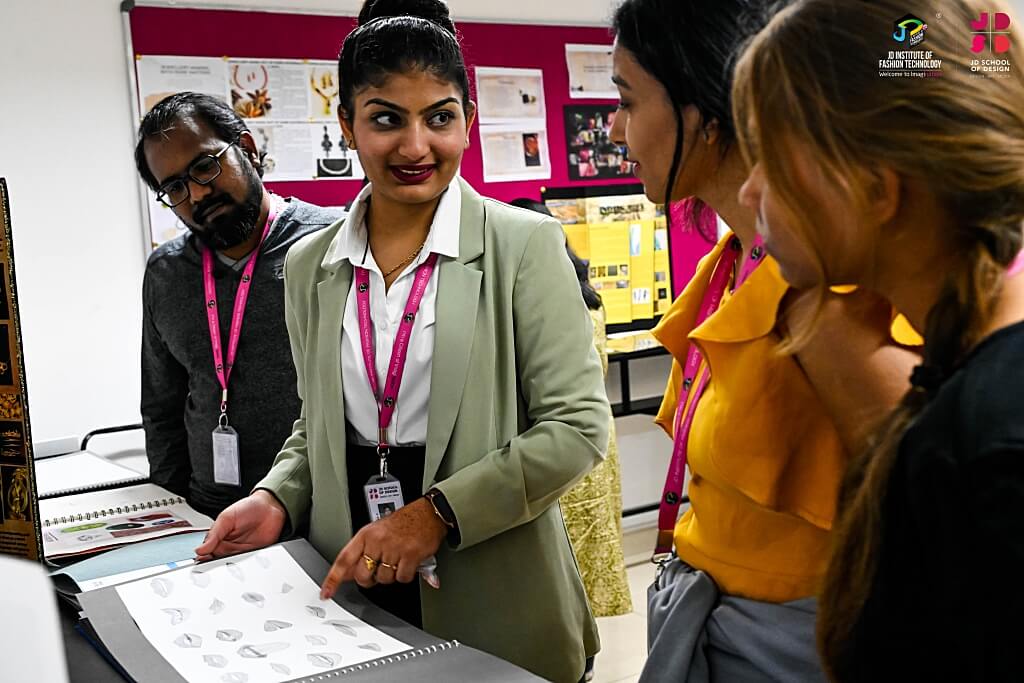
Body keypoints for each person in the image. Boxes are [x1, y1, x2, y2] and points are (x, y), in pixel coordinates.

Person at [195, 2, 609, 681]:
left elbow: (577, 427)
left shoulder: (524, 245)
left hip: (490, 577)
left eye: (439, 117)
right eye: (387, 118)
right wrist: (276, 496)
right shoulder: (307, 265)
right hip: (351, 576)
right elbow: (315, 425)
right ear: (348, 127)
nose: (415, 146)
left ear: (468, 123)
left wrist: (435, 514)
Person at [608, 0, 920, 680]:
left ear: (702, 111)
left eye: (627, 100)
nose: (615, 127)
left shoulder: (821, 292)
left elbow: (928, 523)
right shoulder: (730, 262)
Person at [732, 0, 1024, 680]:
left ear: (875, 184)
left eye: (769, 158)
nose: (750, 190)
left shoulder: (990, 434)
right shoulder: (970, 387)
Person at [136, 92, 342, 518]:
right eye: (173, 187)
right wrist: (173, 514)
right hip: (210, 512)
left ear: (247, 149)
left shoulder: (331, 244)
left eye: (205, 166)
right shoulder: (166, 273)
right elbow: (162, 407)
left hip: (322, 509)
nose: (196, 193)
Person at [511, 197, 632, 680]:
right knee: (580, 575)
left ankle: (573, 664)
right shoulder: (590, 298)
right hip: (595, 454)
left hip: (555, 453)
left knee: (559, 577)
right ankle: (581, 660)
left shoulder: (550, 304)